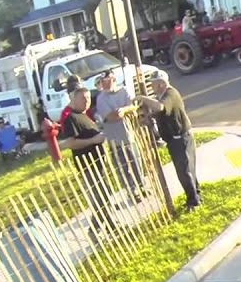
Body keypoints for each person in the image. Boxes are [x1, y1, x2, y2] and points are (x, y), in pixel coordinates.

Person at [58, 76, 117, 238]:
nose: (87, 102)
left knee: (104, 195)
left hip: (98, 161)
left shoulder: (85, 115)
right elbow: (70, 143)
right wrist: (93, 140)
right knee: (99, 197)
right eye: (83, 99)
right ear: (74, 99)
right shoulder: (71, 118)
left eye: (89, 99)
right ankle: (94, 230)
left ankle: (111, 225)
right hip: (88, 164)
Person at [135, 76, 202, 211]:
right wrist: (149, 118)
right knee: (187, 170)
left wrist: (142, 98)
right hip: (174, 139)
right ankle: (195, 196)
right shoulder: (165, 96)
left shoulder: (170, 94)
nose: (152, 88)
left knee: (185, 172)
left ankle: (193, 202)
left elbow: (160, 107)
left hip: (180, 138)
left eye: (153, 85)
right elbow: (164, 113)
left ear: (160, 84)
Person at [95, 71, 146, 202]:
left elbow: (133, 106)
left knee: (137, 162)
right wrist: (121, 112)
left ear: (114, 79)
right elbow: (110, 116)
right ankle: (132, 191)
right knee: (123, 168)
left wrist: (124, 110)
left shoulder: (124, 91)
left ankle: (142, 187)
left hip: (130, 135)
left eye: (108, 81)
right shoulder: (101, 98)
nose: (105, 84)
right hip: (115, 139)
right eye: (103, 82)